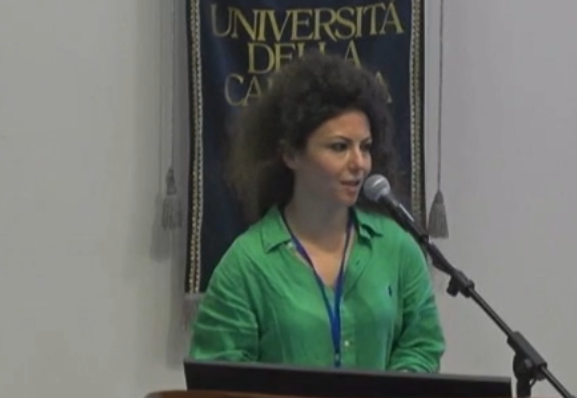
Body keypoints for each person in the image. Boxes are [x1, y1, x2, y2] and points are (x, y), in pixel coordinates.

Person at [188, 51, 445, 372]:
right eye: (339, 147)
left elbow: (422, 344)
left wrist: (391, 393)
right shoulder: (247, 264)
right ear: (291, 154)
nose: (359, 163)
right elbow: (218, 378)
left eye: (365, 147)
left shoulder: (398, 248)